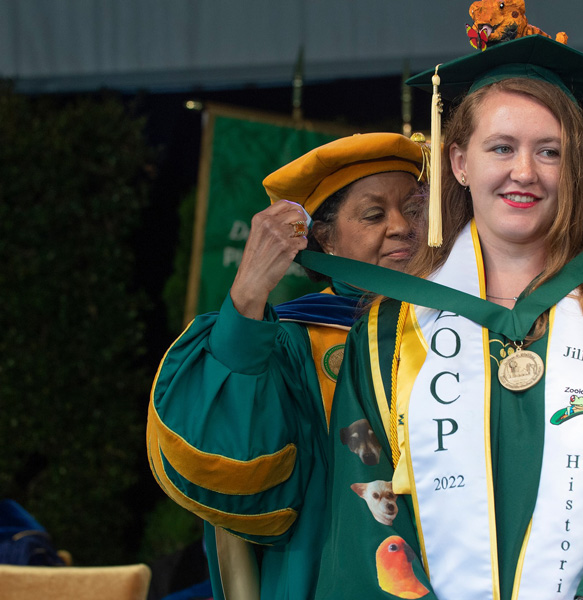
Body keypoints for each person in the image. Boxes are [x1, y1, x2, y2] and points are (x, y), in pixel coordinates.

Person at [311, 34, 583, 600]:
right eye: (501, 148)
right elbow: (362, 502)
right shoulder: (391, 331)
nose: (525, 172)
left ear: (573, 170)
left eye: (549, 151)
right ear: (460, 162)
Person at [147, 132, 427, 600]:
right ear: (325, 238)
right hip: (324, 567)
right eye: (374, 214)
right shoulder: (294, 341)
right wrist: (248, 296)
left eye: (415, 209)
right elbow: (237, 459)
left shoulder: (459, 327)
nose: (401, 226)